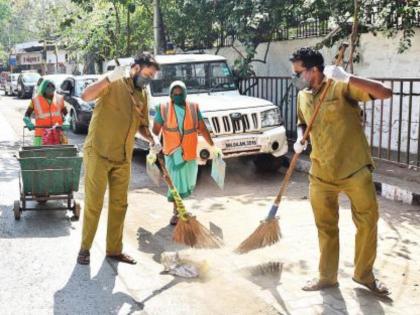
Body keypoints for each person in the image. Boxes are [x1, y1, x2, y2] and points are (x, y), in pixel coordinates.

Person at [290, 47, 392, 295]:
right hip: (321, 173)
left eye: (299, 72)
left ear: (314, 69)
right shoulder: (303, 96)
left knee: (367, 222)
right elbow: (302, 121)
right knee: (325, 227)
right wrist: (300, 137)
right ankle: (327, 277)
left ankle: (364, 274)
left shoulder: (340, 87)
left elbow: (385, 92)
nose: (297, 77)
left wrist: (348, 77)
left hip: (354, 169)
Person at [77, 53, 161, 265]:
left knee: (119, 204)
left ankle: (114, 250)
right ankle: (85, 248)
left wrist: (152, 138)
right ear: (135, 68)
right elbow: (85, 96)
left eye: (152, 77)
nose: (148, 79)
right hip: (99, 152)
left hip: (123, 157)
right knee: (94, 204)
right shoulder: (114, 83)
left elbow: (142, 125)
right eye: (147, 74)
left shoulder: (142, 95)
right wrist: (108, 78)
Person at [151, 81, 220, 225]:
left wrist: (212, 146)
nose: (177, 96)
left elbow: (202, 128)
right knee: (175, 183)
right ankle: (177, 212)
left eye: (180, 93)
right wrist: (154, 144)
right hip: (172, 152)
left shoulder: (193, 108)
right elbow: (155, 131)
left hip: (189, 152)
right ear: (170, 94)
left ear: (185, 93)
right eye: (174, 94)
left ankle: (180, 210)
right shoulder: (163, 108)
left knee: (187, 182)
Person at [23, 79, 71, 146]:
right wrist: (27, 121)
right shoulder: (35, 100)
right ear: (43, 88)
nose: (50, 88)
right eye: (48, 86)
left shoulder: (60, 99)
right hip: (41, 135)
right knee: (41, 155)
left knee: (60, 154)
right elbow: (27, 114)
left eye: (52, 86)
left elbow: (67, 114)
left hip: (58, 134)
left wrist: (67, 121)